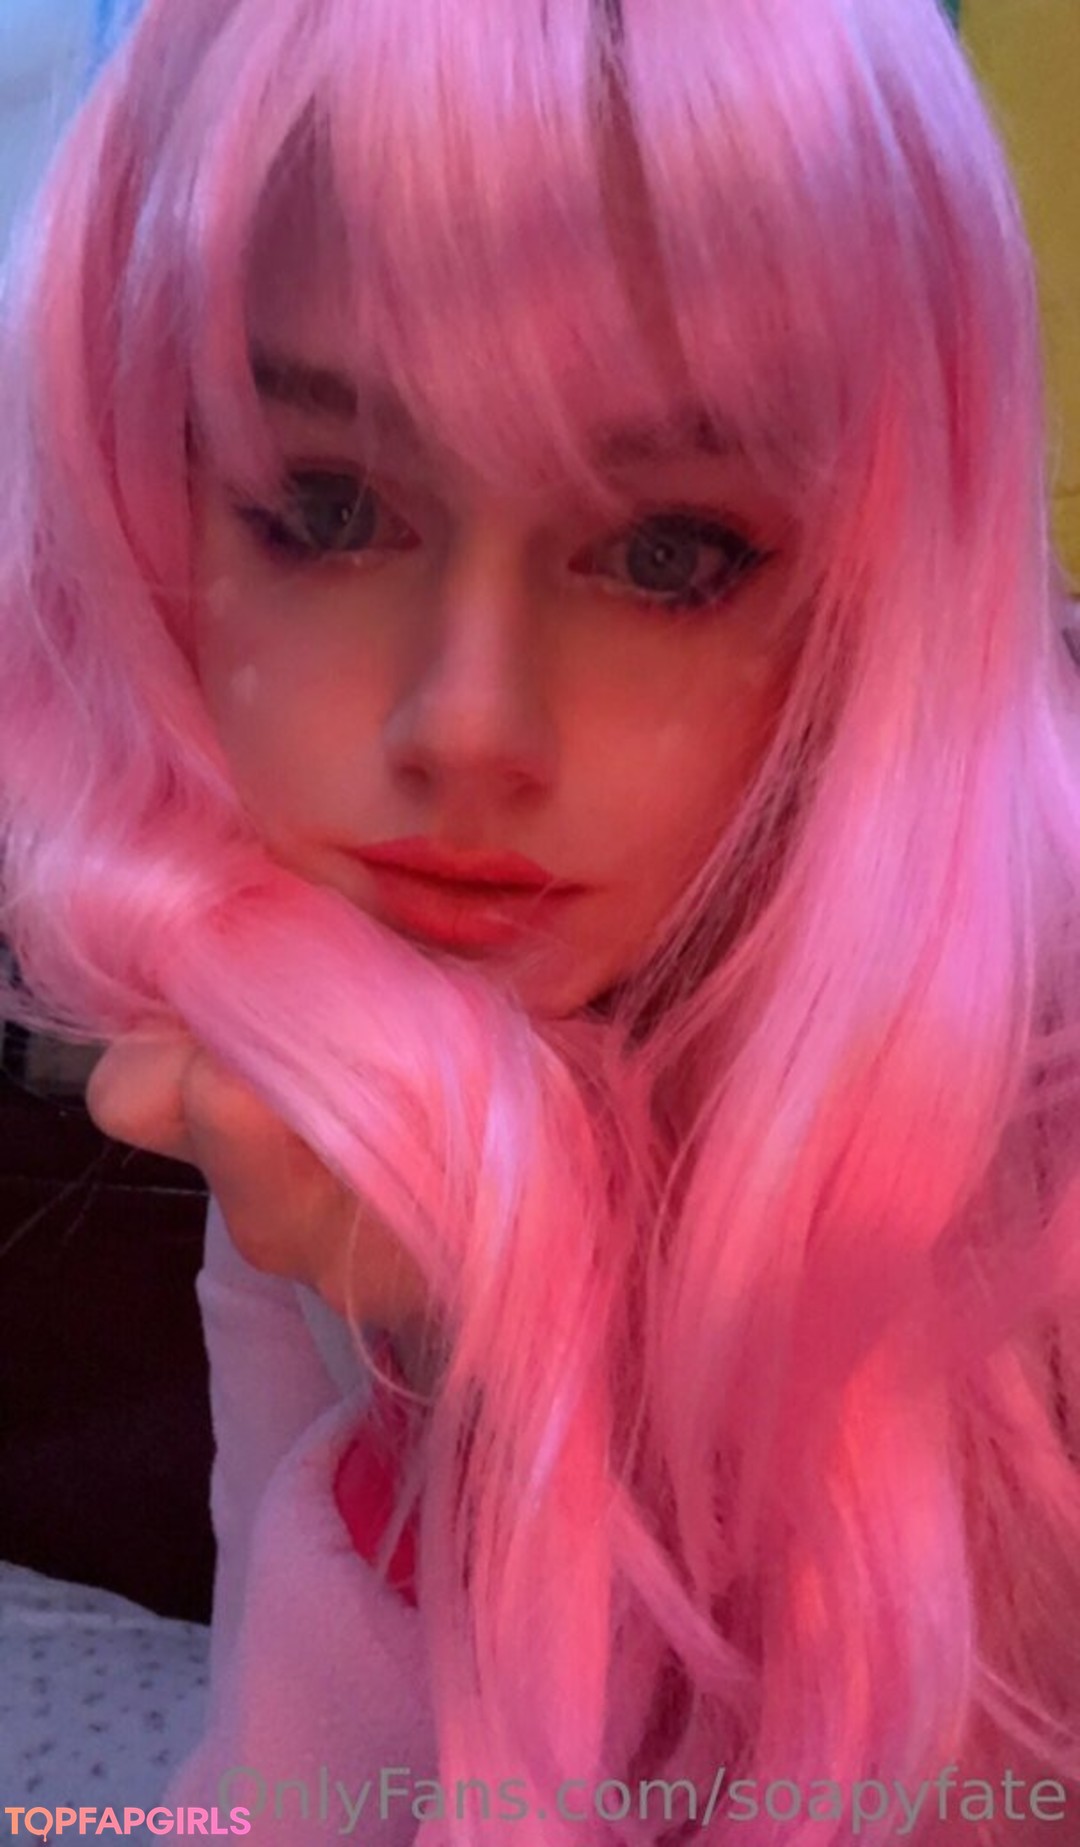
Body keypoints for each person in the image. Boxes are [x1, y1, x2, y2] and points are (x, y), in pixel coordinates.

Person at [2, 0, 1080, 1840]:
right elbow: (285, 1794)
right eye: (323, 506)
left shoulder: (1024, 1191)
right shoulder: (313, 1060)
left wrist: (523, 1398)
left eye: (666, 552)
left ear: (875, 585)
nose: (469, 723)